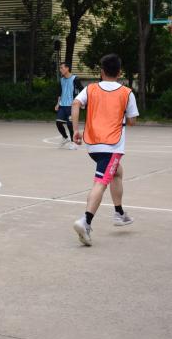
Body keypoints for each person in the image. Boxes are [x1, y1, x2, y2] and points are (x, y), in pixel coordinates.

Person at [71, 54, 138, 246]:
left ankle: (119, 212)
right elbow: (132, 121)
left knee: (117, 172)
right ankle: (85, 221)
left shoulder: (90, 89)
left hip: (93, 144)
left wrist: (75, 130)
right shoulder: (126, 93)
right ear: (119, 72)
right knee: (101, 183)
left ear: (101, 72)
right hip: (112, 146)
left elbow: (76, 103)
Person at [55, 62, 83, 150]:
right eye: (60, 68)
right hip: (63, 105)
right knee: (58, 122)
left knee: (70, 124)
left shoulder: (75, 79)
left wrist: (81, 102)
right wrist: (58, 103)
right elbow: (60, 93)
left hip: (72, 106)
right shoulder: (61, 80)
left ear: (67, 68)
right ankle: (65, 137)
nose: (60, 70)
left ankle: (74, 142)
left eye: (62, 68)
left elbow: (82, 90)